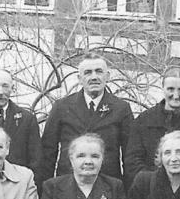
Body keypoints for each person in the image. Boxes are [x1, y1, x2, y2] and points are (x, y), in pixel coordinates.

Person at [40, 52, 133, 186]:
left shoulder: (121, 108)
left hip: (107, 185)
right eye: (88, 72)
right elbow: (47, 153)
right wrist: (46, 190)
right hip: (67, 185)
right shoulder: (61, 107)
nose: (94, 77)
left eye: (99, 71)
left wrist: (127, 191)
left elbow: (129, 156)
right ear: (79, 78)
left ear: (107, 76)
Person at [124, 68, 180, 186]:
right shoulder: (143, 121)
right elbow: (132, 162)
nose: (176, 96)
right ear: (163, 88)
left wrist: (178, 182)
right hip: (149, 188)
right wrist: (155, 182)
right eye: (170, 89)